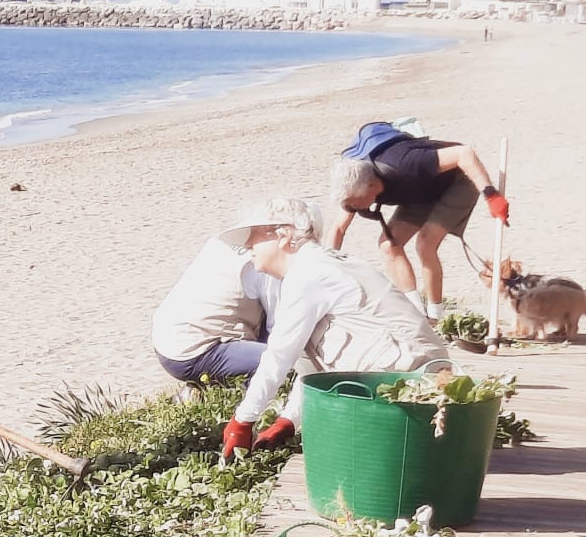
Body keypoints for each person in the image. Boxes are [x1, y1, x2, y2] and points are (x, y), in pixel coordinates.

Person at [214, 197, 452, 459]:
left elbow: (279, 357)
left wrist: (243, 420)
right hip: (418, 385)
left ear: (283, 236)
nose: (249, 245)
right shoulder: (318, 265)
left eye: (255, 236)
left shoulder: (309, 273)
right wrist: (289, 420)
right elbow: (309, 364)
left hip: (415, 391)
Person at [327, 124, 509, 320]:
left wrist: (491, 195)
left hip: (458, 180)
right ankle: (416, 314)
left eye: (355, 203)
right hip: (419, 193)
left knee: (425, 243)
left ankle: (435, 315)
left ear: (371, 186)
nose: (355, 208)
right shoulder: (353, 184)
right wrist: (326, 267)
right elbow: (338, 229)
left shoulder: (405, 164)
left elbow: (464, 153)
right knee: (388, 246)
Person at [150, 233, 274, 396]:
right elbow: (280, 326)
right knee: (283, 362)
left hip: (166, 341)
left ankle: (206, 388)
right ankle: (235, 395)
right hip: (196, 352)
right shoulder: (265, 262)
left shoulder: (225, 239)